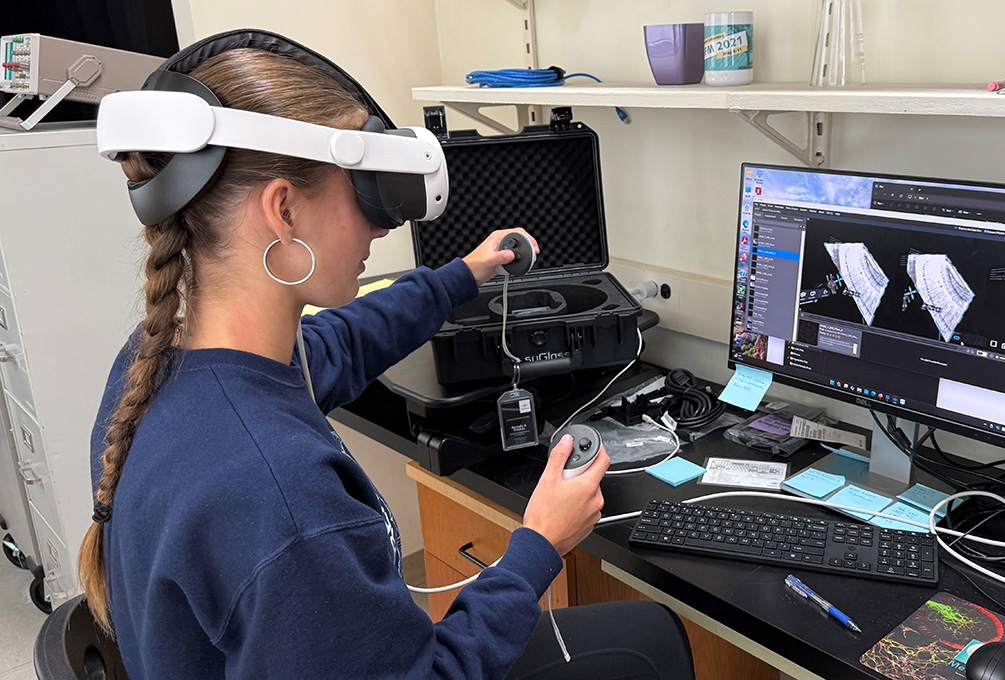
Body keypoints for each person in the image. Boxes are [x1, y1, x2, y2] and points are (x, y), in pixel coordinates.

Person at [82, 32, 694, 680]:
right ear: (283, 210)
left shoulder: (157, 366)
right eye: (364, 192)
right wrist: (539, 544)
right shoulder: (283, 498)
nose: (381, 225)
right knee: (652, 639)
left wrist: (461, 276)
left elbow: (339, 342)